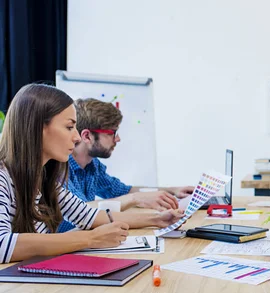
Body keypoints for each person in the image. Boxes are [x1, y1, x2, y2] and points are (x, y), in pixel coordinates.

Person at [0, 84, 184, 263]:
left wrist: (158, 219)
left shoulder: (44, 180)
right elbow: (2, 245)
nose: (77, 137)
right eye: (69, 127)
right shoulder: (3, 176)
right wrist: (91, 238)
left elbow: (91, 216)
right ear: (37, 127)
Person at [57, 98, 194, 232]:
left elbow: (123, 191)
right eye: (112, 133)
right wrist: (136, 199)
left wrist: (172, 190)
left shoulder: (93, 165)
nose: (118, 139)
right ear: (87, 136)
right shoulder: (58, 168)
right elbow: (80, 211)